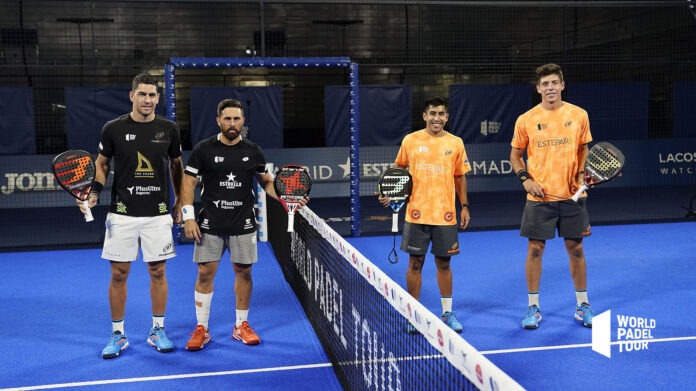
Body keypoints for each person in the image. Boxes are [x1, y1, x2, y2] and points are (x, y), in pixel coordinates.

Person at [181, 98, 307, 350]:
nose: (231, 123)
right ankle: (202, 328)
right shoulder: (203, 150)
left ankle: (241, 325)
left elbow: (267, 182)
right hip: (209, 223)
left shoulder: (253, 151)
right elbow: (188, 182)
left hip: (243, 222)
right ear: (218, 121)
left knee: (244, 271)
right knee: (205, 273)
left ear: (243, 121)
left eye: (236, 119)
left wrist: (285, 195)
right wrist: (188, 216)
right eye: (227, 118)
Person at [78, 73, 184, 358]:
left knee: (158, 271)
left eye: (152, 95)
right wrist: (95, 191)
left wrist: (180, 203)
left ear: (158, 98)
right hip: (121, 214)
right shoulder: (112, 129)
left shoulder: (169, 129)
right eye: (142, 94)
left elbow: (177, 166)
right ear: (132, 96)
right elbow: (101, 163)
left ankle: (157, 330)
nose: (147, 100)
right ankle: (118, 334)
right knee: (118, 274)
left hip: (158, 214)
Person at [509, 63, 594, 330]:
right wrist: (526, 180)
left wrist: (582, 176)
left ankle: (583, 305)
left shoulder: (579, 115)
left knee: (576, 249)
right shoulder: (526, 119)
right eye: (545, 84)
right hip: (540, 199)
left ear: (562, 85)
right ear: (538, 89)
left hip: (572, 197)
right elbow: (515, 156)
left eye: (554, 83)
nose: (550, 88)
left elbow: (584, 149)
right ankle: (533, 307)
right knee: (535, 249)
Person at [379, 96, 471, 334]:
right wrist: (391, 192)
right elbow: (398, 169)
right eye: (432, 113)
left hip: (445, 215)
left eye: (441, 114)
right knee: (415, 263)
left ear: (447, 117)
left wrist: (465, 206)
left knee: (444, 263)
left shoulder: (456, 143)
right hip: (416, 214)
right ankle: (414, 314)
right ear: (425, 116)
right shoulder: (411, 140)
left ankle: (448, 312)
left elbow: (460, 176)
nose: (436, 118)